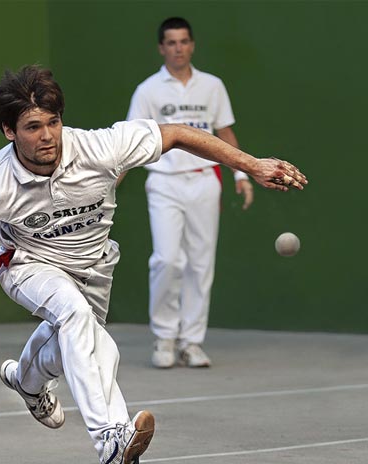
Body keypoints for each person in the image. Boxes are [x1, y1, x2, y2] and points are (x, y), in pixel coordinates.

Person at [0, 65, 306, 463]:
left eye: (52, 122)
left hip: (94, 267)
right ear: (9, 131)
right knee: (79, 323)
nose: (47, 136)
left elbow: (176, 134)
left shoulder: (99, 147)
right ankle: (111, 440)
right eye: (32, 127)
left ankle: (24, 381)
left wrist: (253, 164)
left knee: (78, 347)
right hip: (26, 265)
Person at [125, 17, 253, 369]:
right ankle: (165, 337)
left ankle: (191, 341)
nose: (178, 48)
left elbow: (224, 134)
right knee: (167, 260)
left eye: (184, 41)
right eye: (171, 42)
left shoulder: (212, 86)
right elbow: (131, 140)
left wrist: (241, 174)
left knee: (200, 262)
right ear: (161, 48)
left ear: (192, 45)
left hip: (204, 181)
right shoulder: (147, 90)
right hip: (164, 183)